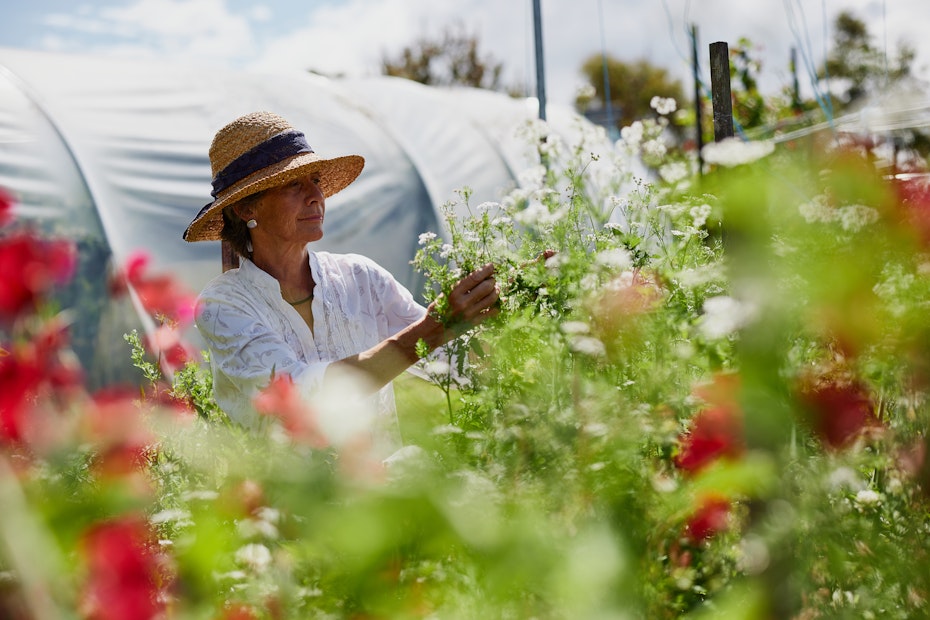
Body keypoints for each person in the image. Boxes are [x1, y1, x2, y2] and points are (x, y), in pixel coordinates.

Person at [183, 111, 500, 456]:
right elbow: (303, 398)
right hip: (291, 506)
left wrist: (518, 297)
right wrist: (434, 328)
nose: (315, 195)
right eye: (294, 184)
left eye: (315, 180)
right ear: (246, 209)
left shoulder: (361, 278)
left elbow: (450, 361)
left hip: (385, 493)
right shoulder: (224, 305)